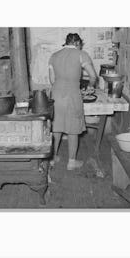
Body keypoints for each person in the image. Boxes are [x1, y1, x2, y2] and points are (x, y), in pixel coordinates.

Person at [48, 33, 97, 170]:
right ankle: (71, 162)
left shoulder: (54, 56)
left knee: (56, 127)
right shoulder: (81, 54)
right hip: (72, 95)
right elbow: (93, 76)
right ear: (77, 43)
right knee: (73, 129)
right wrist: (90, 86)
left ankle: (52, 158)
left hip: (56, 95)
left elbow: (52, 81)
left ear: (66, 42)